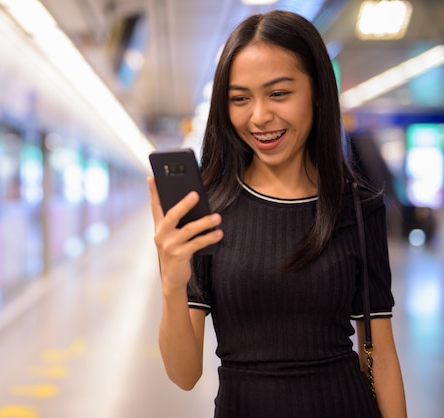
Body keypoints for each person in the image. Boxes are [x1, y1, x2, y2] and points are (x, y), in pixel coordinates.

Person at [147, 10, 407, 418]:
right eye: (239, 98)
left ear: (318, 91)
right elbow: (184, 374)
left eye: (279, 93)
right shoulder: (207, 212)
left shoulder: (357, 207)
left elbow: (382, 356)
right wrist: (172, 283)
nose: (259, 117)